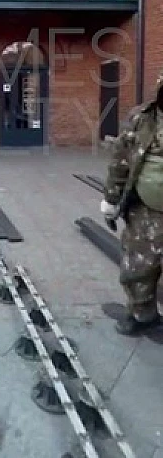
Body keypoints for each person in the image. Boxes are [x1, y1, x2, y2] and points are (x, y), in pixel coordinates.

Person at [101, 71, 163, 336]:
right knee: (139, 266)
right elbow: (121, 161)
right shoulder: (141, 119)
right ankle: (142, 314)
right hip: (146, 211)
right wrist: (111, 199)